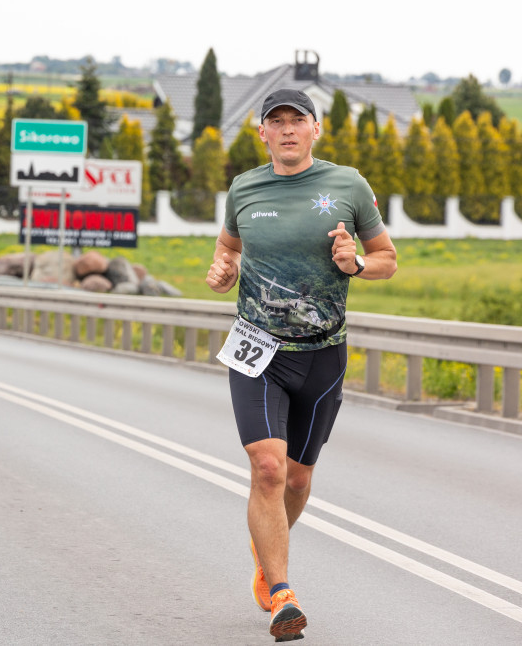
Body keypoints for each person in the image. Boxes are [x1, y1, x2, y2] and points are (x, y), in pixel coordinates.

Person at [206, 88, 397, 641]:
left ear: (316, 130)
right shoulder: (244, 188)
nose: (287, 129)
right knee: (267, 468)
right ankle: (282, 594)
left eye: (297, 120)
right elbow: (228, 252)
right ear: (261, 133)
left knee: (298, 475)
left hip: (322, 353)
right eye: (276, 122)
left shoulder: (348, 185)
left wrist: (355, 262)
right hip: (257, 349)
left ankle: (266, 550)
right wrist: (222, 273)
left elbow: (386, 258)